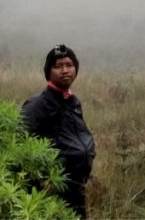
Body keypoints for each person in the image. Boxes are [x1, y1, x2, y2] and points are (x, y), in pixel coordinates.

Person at [21, 44, 96, 218]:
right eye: (57, 66)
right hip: (52, 191)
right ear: (49, 72)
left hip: (75, 189)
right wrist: (39, 189)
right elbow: (21, 150)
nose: (65, 70)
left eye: (69, 65)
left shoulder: (73, 102)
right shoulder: (37, 106)